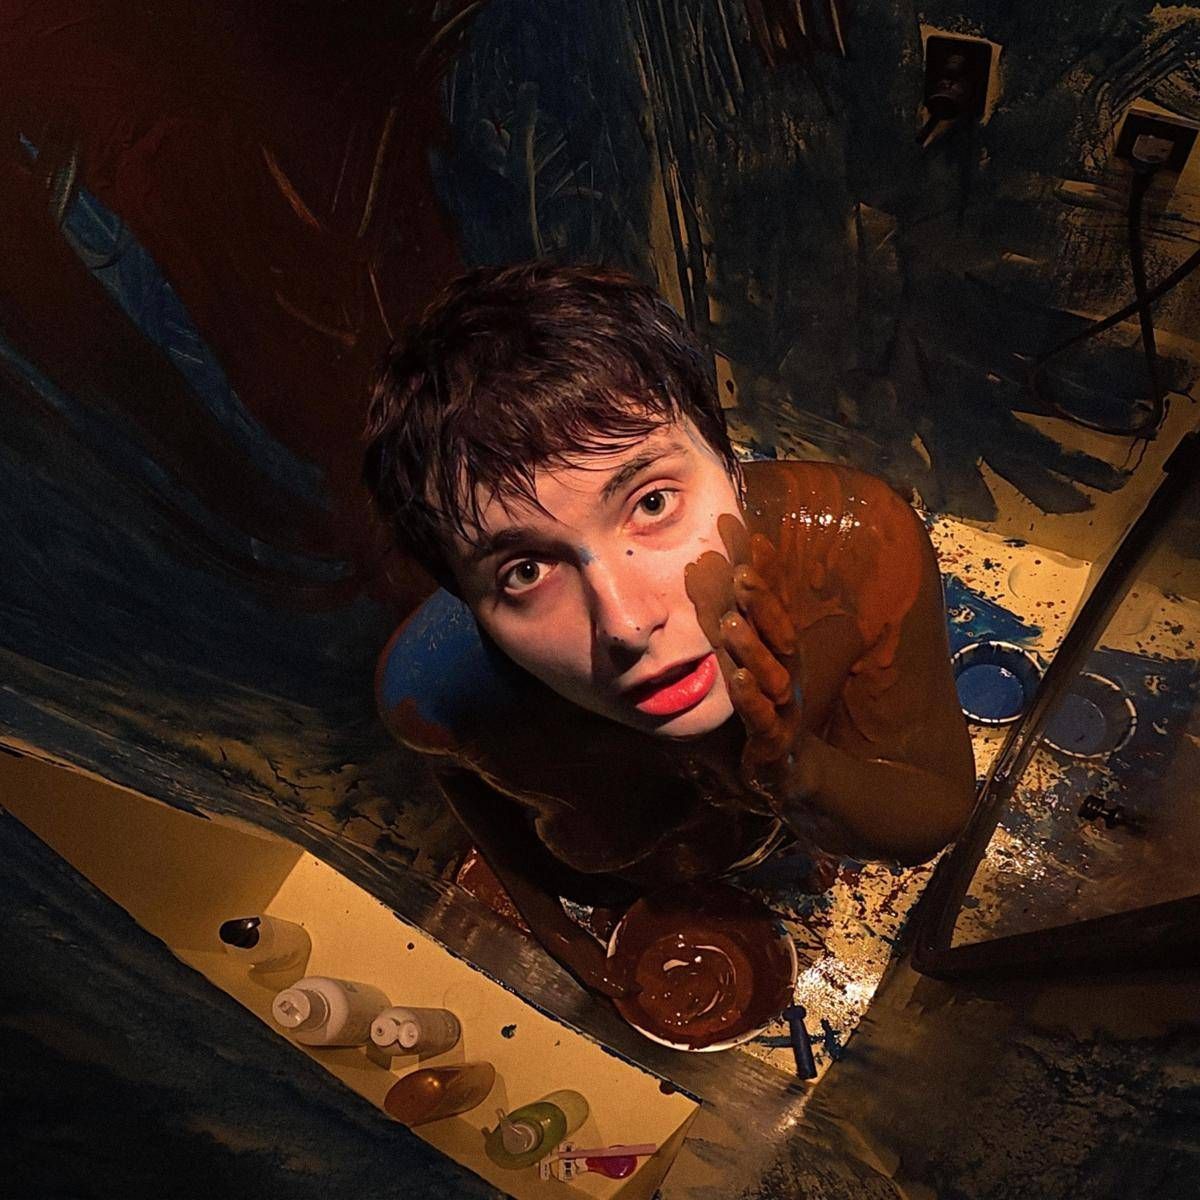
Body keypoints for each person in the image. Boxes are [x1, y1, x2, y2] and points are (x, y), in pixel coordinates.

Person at [363, 262, 975, 997]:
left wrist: (802, 773)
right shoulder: (430, 690)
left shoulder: (855, 548)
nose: (625, 623)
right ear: (464, 598)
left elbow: (935, 809)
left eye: (652, 503)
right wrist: (572, 950)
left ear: (728, 462)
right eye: (524, 570)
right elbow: (492, 831)